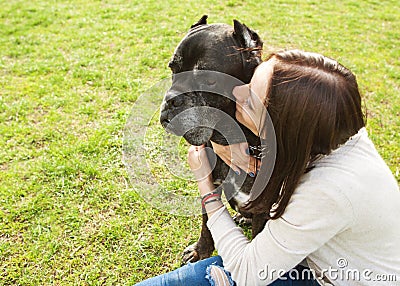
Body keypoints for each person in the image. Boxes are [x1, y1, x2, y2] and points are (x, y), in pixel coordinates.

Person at [135, 50, 400, 285]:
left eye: (249, 99)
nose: (235, 92)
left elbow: (248, 274)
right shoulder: (334, 127)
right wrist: (222, 144)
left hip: (328, 276)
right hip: (314, 254)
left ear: (278, 129)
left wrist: (206, 184)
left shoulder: (327, 191)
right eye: (250, 81)